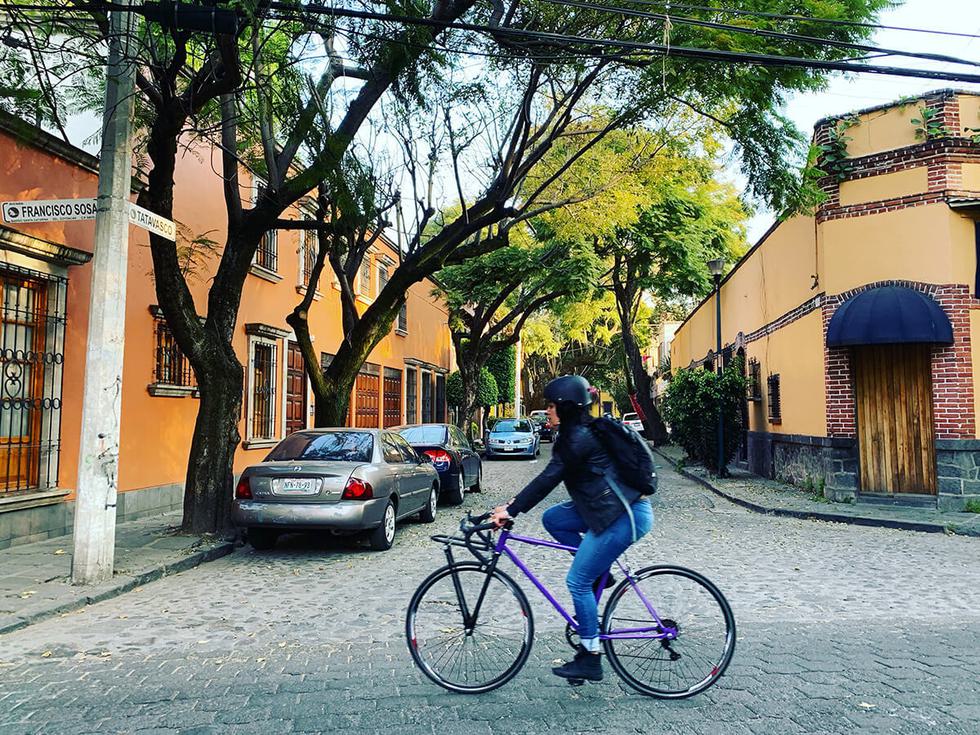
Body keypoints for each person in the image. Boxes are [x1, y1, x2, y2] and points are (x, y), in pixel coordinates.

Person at [491, 375, 653, 683]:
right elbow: (548, 477)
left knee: (578, 581)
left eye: (551, 406)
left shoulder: (578, 438)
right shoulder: (572, 434)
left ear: (565, 407)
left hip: (624, 516)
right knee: (553, 519)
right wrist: (510, 504)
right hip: (604, 510)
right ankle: (600, 575)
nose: (547, 411)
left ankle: (590, 656)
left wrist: (511, 510)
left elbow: (549, 478)